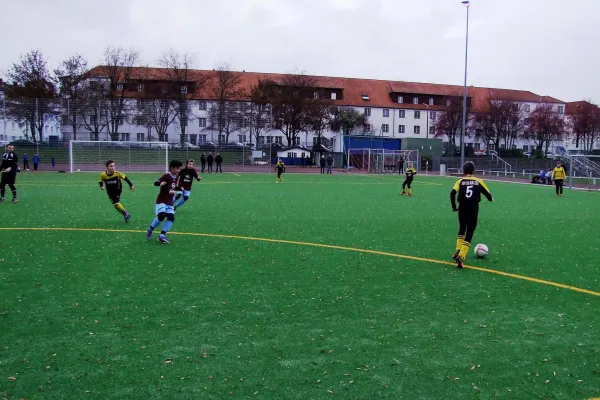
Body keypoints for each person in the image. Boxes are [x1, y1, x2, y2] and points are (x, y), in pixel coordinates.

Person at [450, 161, 493, 269]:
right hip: (473, 208)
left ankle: (457, 250)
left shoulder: (460, 181)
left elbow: (452, 193)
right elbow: (489, 195)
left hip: (462, 207)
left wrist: (454, 206)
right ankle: (461, 256)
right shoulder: (478, 181)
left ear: (463, 171)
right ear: (474, 171)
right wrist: (490, 198)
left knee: (462, 229)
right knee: (469, 232)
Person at [146, 160, 183, 244]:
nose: (178, 170)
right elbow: (156, 182)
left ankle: (162, 236)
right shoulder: (167, 175)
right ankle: (150, 229)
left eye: (179, 169)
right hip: (161, 200)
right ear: (172, 168)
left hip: (169, 201)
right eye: (177, 168)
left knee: (171, 217)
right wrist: (160, 183)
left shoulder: (176, 177)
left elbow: (173, 186)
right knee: (162, 215)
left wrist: (179, 188)